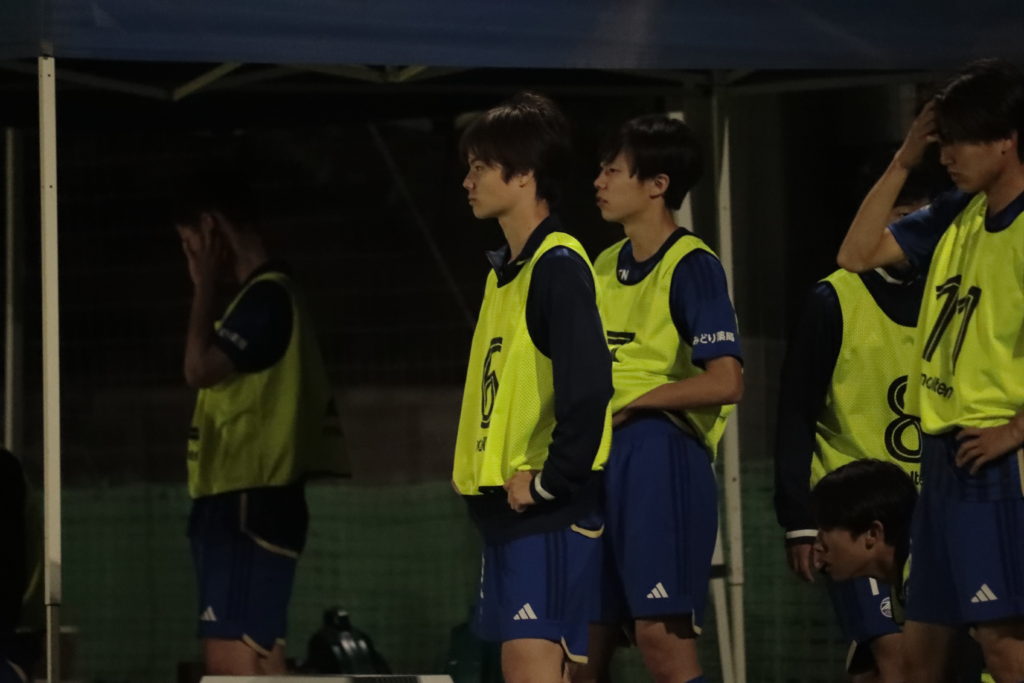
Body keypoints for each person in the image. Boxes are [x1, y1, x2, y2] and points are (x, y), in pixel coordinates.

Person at [836, 58, 1024, 682]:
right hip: (940, 463)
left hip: (993, 462)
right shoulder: (956, 212)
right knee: (919, 659)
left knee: (1005, 649)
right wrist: (903, 159)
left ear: (1008, 139)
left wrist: (1015, 430)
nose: (948, 155)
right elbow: (855, 255)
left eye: (961, 139)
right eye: (942, 140)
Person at [573, 114, 743, 683]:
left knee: (661, 641)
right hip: (598, 459)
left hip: (658, 455)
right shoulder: (601, 265)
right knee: (581, 649)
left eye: (612, 170)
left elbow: (726, 382)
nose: (598, 181)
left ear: (657, 184)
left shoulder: (692, 265)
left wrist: (637, 403)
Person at [451, 91, 613, 683]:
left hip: (547, 511)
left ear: (524, 176)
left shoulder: (558, 267)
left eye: (480, 166)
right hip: (509, 514)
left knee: (534, 669)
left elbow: (590, 390)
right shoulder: (507, 274)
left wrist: (549, 481)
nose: (467, 181)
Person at [176, 176, 347, 675]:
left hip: (248, 498)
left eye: (190, 245)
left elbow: (198, 369)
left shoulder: (266, 299)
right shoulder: (262, 298)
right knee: (259, 658)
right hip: (249, 497)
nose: (190, 260)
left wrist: (203, 286)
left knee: (230, 662)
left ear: (211, 228)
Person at [774, 169, 942, 681]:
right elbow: (796, 410)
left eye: (924, 221)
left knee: (911, 658)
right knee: (894, 655)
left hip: (930, 511)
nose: (913, 235)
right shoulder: (834, 299)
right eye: (902, 220)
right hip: (856, 517)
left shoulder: (951, 292)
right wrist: (799, 520)